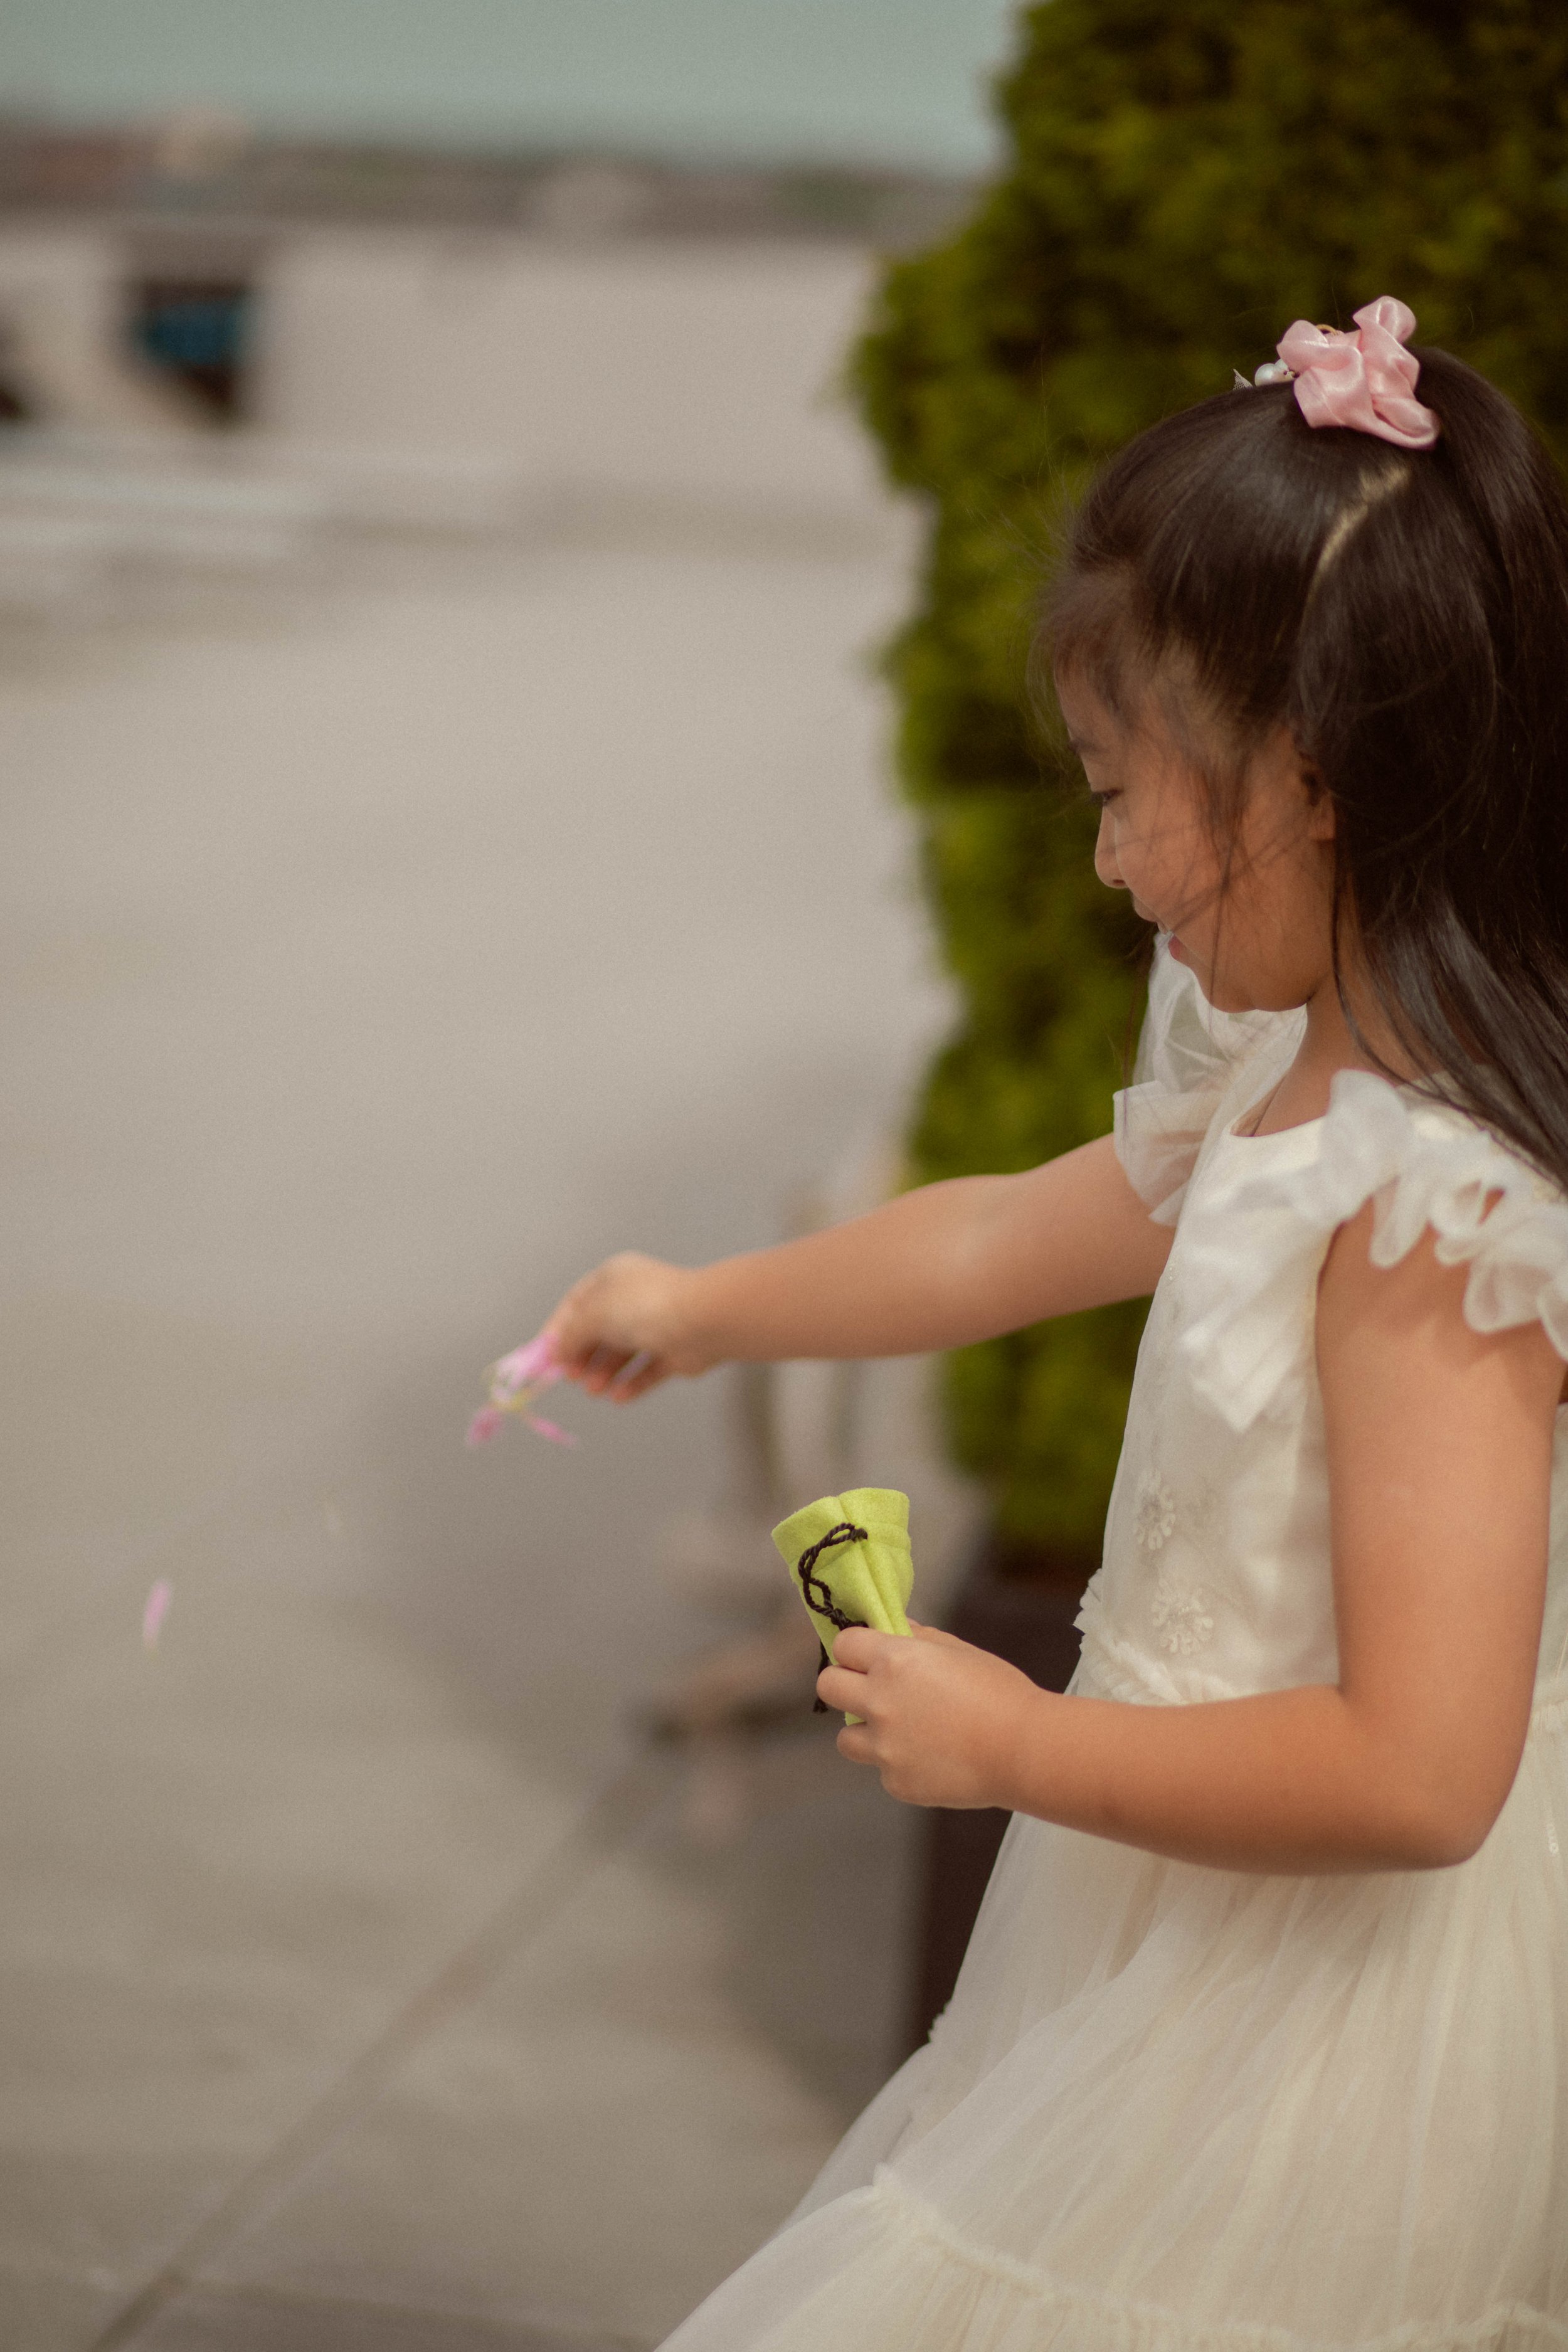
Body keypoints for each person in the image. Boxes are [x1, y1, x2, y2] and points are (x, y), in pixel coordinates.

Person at [541, 299, 1568, 2347]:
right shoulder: (1272, 1085)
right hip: (1159, 1907)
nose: (1107, 862)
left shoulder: (1429, 1212)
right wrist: (705, 1309)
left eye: (1127, 789)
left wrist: (1020, 1739)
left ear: (1315, 767)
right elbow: (995, 1237)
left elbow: (1422, 1771)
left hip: (1313, 2021)